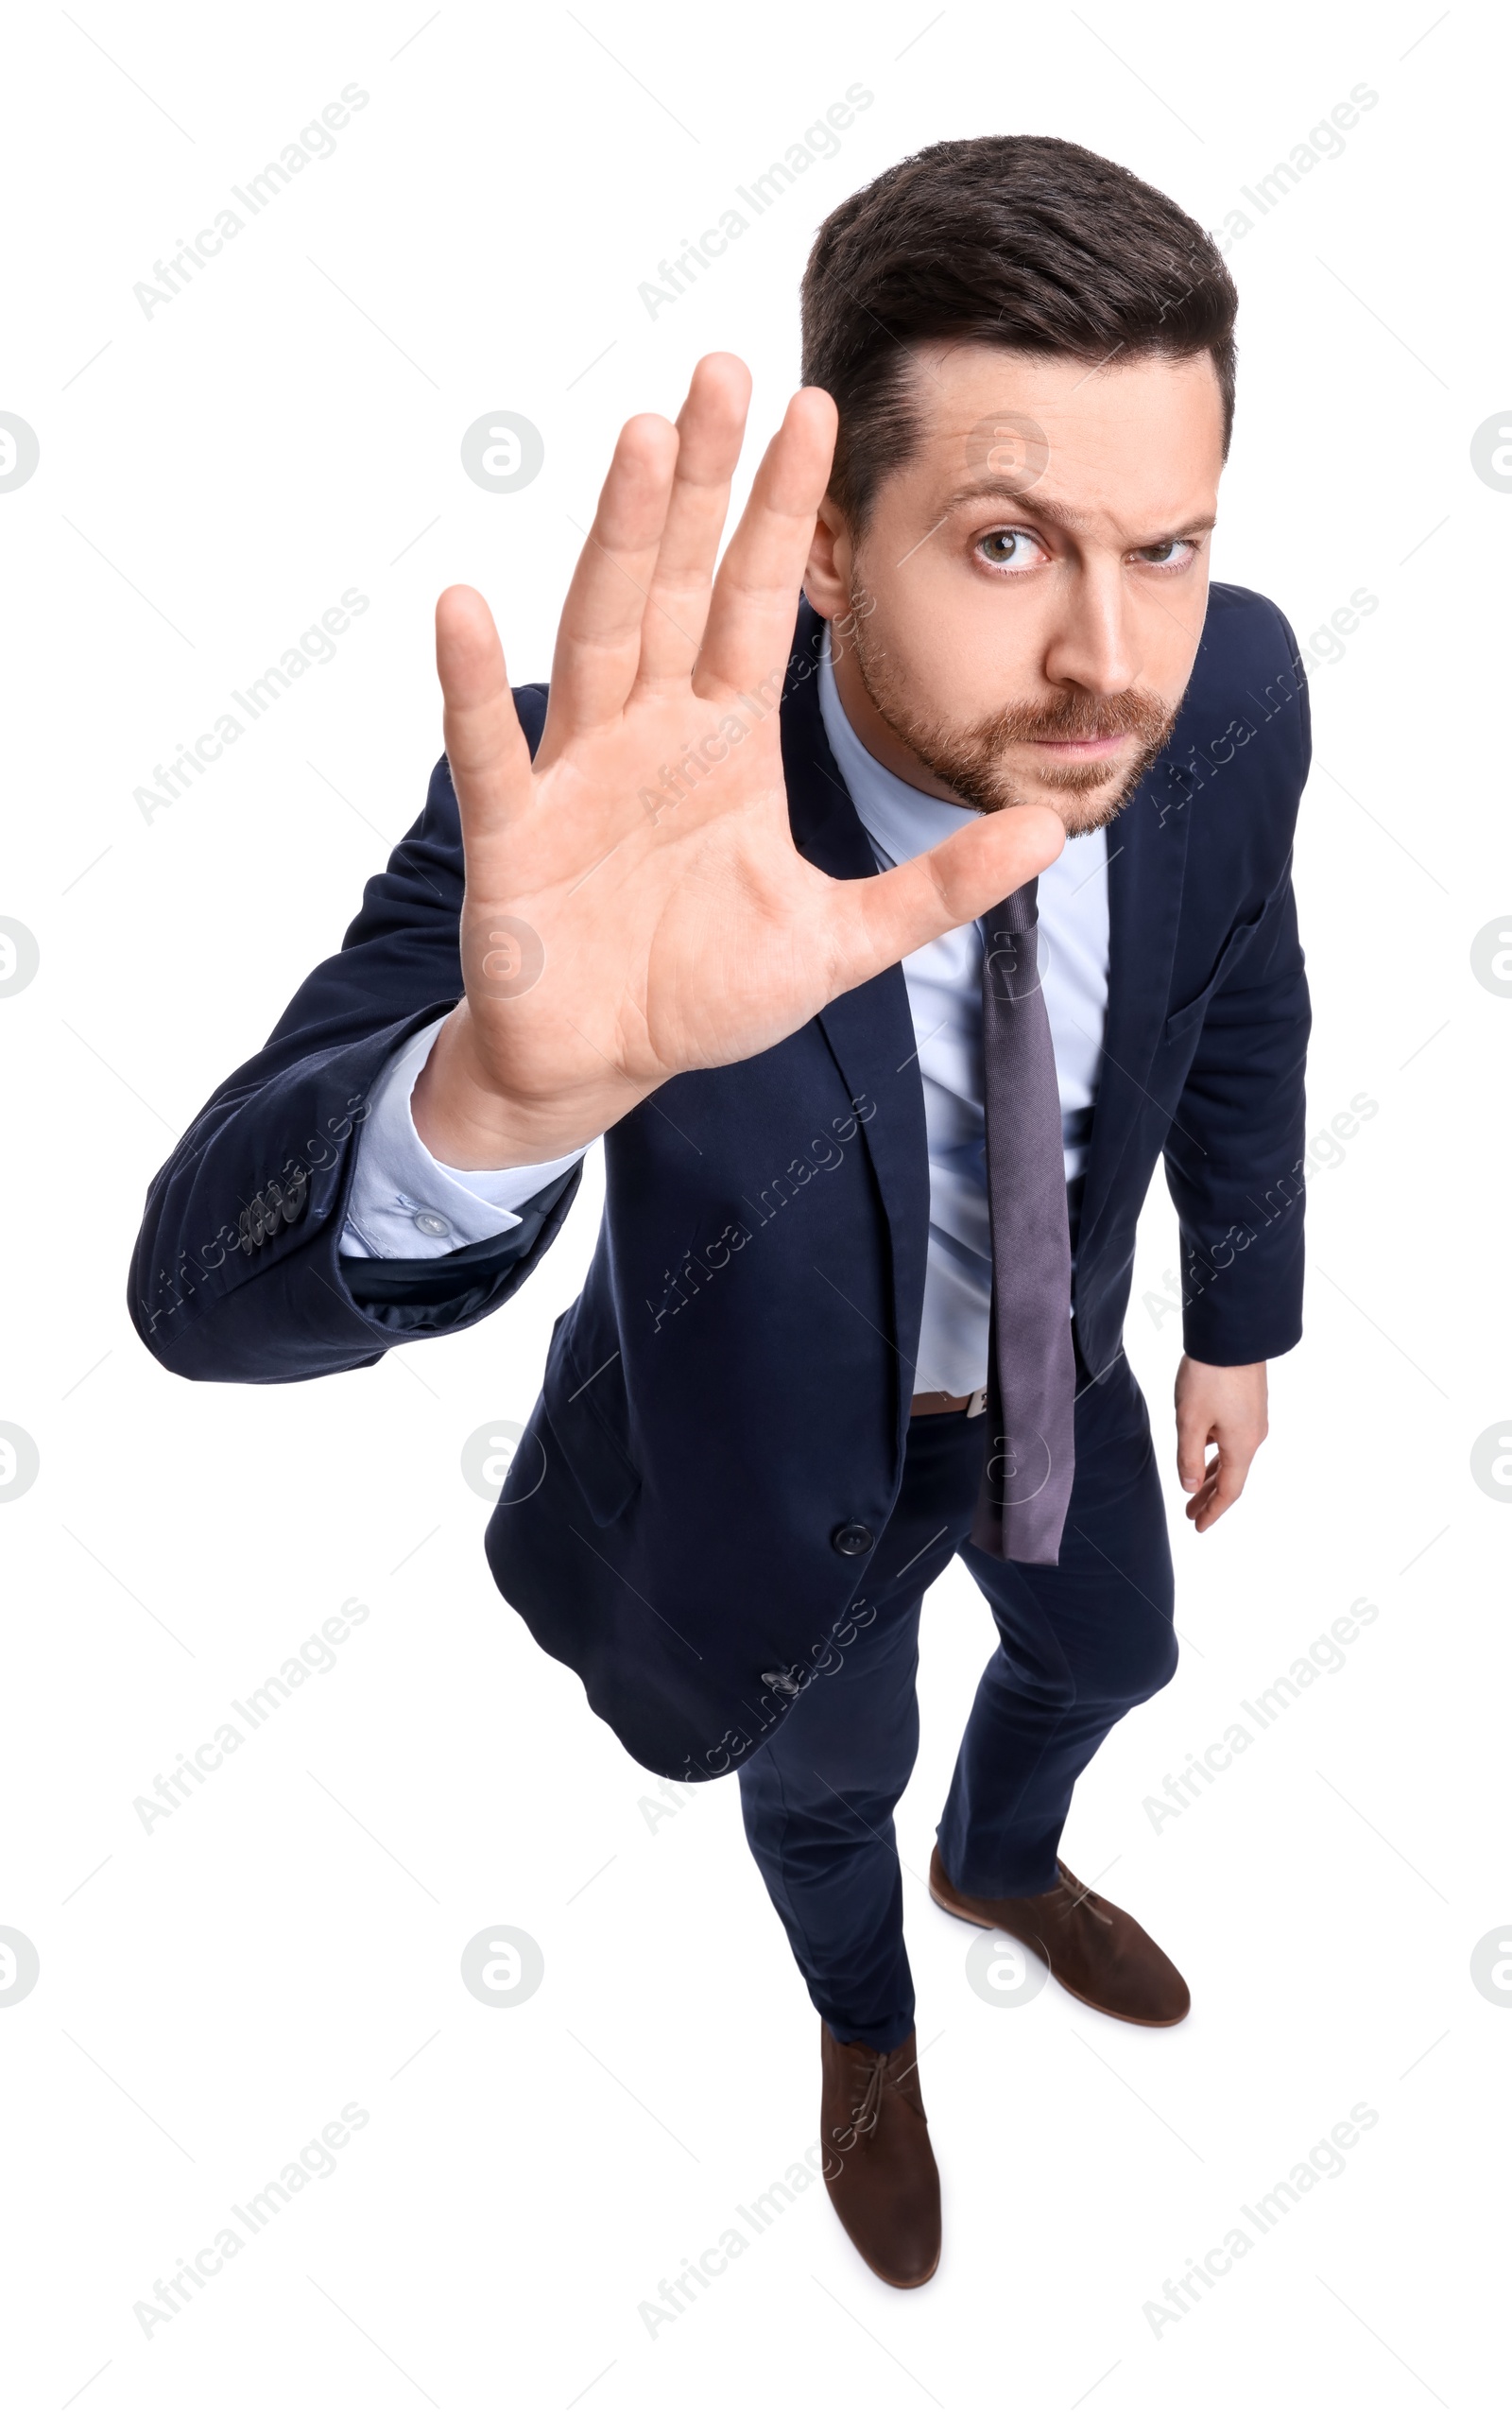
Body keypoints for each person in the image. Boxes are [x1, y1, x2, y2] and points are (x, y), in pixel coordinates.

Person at [130, 134, 1311, 2290]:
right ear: (836, 543)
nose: (1102, 651)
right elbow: (201, 1293)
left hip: (1060, 1380)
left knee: (1119, 1646)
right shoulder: (608, 782)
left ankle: (1004, 1856)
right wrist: (497, 1090)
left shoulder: (1225, 692)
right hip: (776, 1467)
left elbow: (1240, 997)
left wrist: (1241, 1311)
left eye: (1161, 543)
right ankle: (864, 2023)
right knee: (818, 1778)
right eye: (1004, 540)